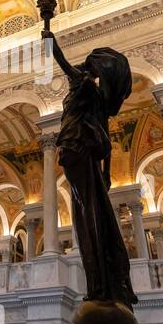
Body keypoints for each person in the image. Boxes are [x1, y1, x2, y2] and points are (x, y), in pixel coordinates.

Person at [42, 23, 135, 306]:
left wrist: (48, 31)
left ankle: (98, 279)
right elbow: (105, 134)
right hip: (84, 151)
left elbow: (60, 61)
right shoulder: (97, 97)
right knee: (93, 209)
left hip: (74, 146)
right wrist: (107, 174)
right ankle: (105, 277)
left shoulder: (82, 83)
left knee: (87, 211)